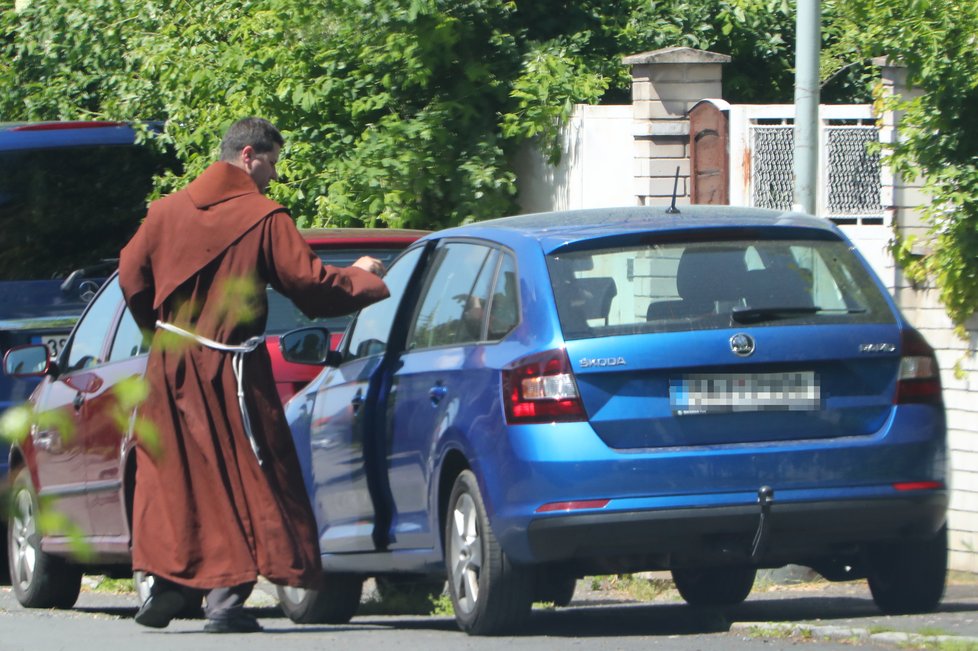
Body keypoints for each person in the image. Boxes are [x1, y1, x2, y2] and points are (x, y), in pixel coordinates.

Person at [118, 117, 389, 633]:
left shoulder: (163, 212)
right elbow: (308, 284)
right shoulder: (263, 217)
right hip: (230, 368)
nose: (272, 176)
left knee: (172, 475)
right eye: (271, 164)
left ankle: (168, 583)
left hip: (169, 362)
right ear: (247, 156)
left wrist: (161, 334)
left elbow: (131, 274)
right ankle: (223, 600)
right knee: (245, 472)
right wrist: (361, 276)